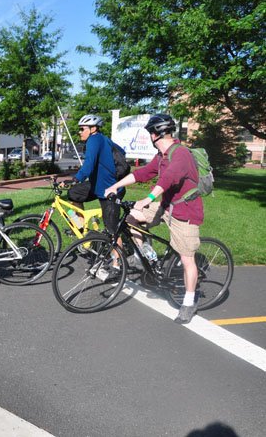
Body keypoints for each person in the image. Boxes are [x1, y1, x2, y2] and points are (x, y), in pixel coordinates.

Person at [105, 114, 203, 324]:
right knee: (131, 219)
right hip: (166, 206)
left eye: (151, 133)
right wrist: (116, 186)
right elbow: (143, 173)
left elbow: (169, 179)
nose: (150, 136)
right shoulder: (162, 156)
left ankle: (188, 301)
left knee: (187, 259)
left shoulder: (181, 154)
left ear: (155, 134)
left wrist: (147, 198)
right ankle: (145, 258)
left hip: (185, 211)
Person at [60, 114, 124, 235]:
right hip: (97, 185)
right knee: (74, 193)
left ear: (93, 129)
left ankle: (117, 254)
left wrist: (76, 179)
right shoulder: (103, 139)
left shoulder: (94, 140)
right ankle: (79, 226)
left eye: (82, 129)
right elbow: (122, 152)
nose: (80, 132)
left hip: (110, 189)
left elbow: (89, 164)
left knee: (112, 231)